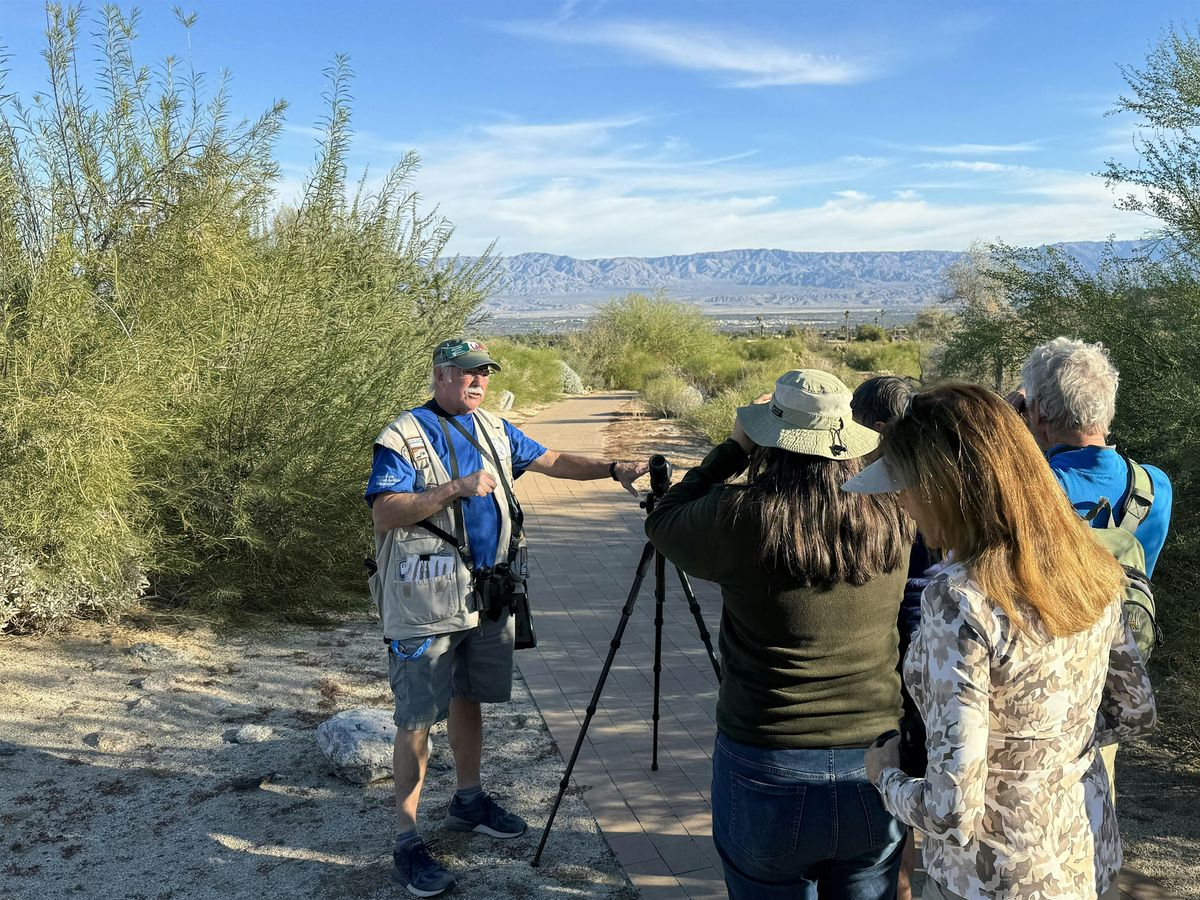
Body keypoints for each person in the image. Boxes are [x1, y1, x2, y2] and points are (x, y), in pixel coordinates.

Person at [365, 338, 648, 897]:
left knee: (469, 697)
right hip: (424, 600)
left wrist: (613, 467)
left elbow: (553, 461)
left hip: (485, 596)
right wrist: (454, 488)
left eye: (484, 375)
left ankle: (468, 800)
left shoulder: (494, 428)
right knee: (417, 716)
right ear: (440, 376)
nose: (477, 383)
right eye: (468, 374)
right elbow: (384, 511)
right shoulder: (403, 435)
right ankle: (406, 841)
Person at [853, 384, 1157, 900]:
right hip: (1082, 855)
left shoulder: (959, 599)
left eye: (904, 484)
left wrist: (885, 778)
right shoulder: (1091, 565)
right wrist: (1042, 749)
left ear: (945, 487)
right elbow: (1136, 711)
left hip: (992, 879)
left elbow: (952, 812)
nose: (898, 500)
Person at [645, 369, 914, 900]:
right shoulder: (893, 513)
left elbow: (663, 519)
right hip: (876, 763)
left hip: (767, 761)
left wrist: (732, 451)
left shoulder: (739, 516)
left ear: (772, 437)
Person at [850, 375, 928, 900]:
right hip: (922, 631)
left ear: (876, 429)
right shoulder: (933, 474)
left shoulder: (886, 489)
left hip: (904, 635)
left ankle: (896, 882)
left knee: (898, 762)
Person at [1017, 337, 1172, 577]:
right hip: (1129, 615)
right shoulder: (1155, 486)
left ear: (1039, 413)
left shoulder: (1029, 489)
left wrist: (999, 421)